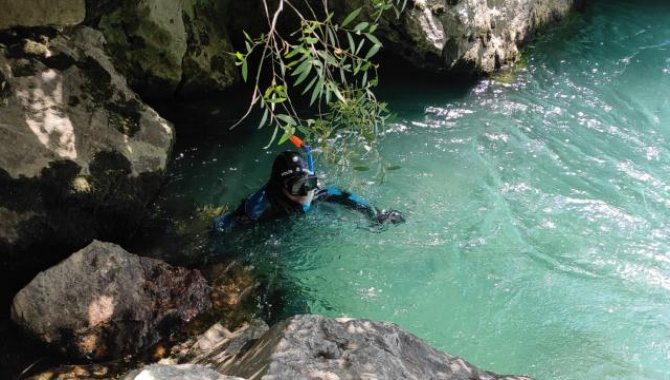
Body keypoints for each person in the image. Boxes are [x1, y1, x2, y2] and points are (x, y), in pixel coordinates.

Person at [213, 150, 404, 233]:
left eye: (309, 183)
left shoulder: (314, 193)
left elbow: (349, 199)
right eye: (297, 186)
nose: (306, 193)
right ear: (281, 187)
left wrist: (377, 214)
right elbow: (224, 224)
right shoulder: (258, 209)